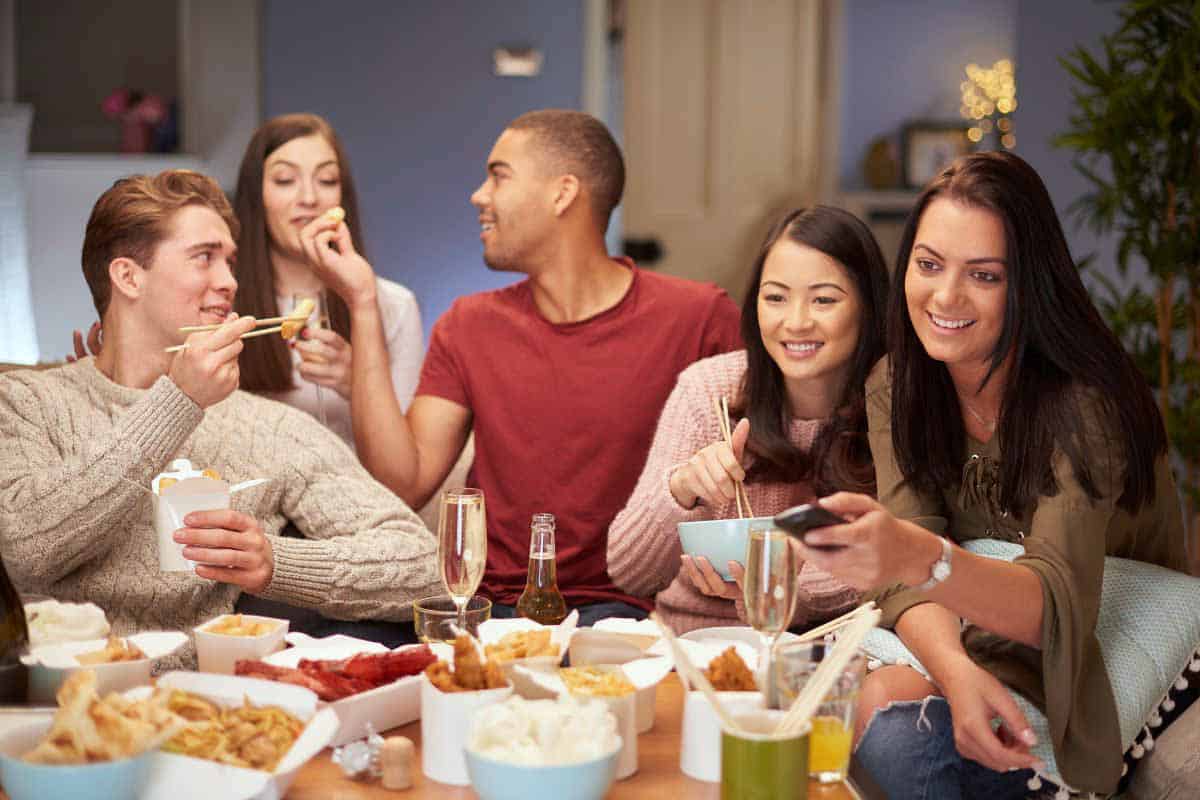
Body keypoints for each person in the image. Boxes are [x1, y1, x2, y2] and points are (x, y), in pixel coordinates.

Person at [791, 152, 1188, 798]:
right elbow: (903, 569)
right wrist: (952, 670)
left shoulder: (1085, 404)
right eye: (928, 265)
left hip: (1104, 634)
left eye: (983, 275)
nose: (945, 297)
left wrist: (921, 556)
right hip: (978, 627)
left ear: (1027, 285)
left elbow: (1053, 607)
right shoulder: (897, 381)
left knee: (892, 726)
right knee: (868, 704)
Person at [297, 109, 743, 626]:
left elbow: (759, 476)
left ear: (562, 193)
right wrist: (362, 301)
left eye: (498, 175)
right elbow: (403, 481)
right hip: (496, 613)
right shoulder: (468, 325)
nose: (479, 196)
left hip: (634, 618)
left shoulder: (699, 317)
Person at [0, 170, 442, 662]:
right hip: (54, 699)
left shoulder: (267, 426)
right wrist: (177, 404)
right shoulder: (24, 401)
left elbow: (425, 565)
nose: (230, 281)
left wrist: (277, 563)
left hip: (213, 701)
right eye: (204, 257)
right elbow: (24, 553)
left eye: (229, 261)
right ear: (128, 276)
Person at [607, 207, 887, 633]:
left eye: (824, 299)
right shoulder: (710, 390)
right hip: (693, 644)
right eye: (775, 297)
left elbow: (904, 557)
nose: (795, 322)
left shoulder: (893, 403)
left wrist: (782, 592)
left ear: (868, 306)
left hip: (829, 651)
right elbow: (628, 572)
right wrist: (680, 491)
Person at [71, 114, 425, 448]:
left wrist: (356, 384)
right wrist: (118, 373)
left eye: (327, 180)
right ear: (257, 197)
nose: (309, 198)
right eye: (285, 180)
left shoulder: (391, 304)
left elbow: (407, 465)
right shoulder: (212, 300)